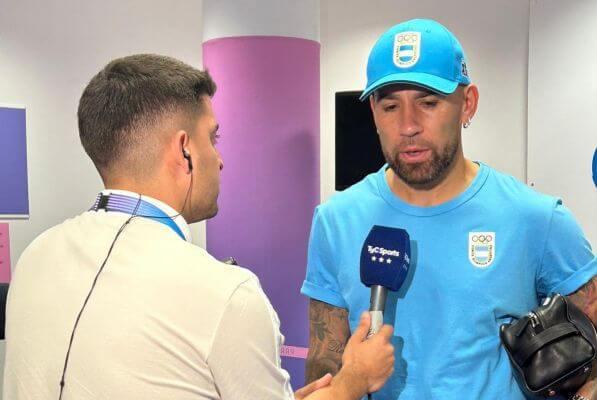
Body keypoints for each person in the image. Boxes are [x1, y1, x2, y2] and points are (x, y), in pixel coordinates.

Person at [3, 54, 396, 400]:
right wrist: (352, 381)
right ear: (184, 150)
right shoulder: (226, 294)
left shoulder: (36, 255)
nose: (220, 159)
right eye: (214, 138)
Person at [302, 18, 597, 399]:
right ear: (373, 112)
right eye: (390, 106)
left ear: (467, 104)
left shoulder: (536, 219)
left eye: (428, 103)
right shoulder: (335, 221)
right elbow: (325, 365)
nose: (408, 126)